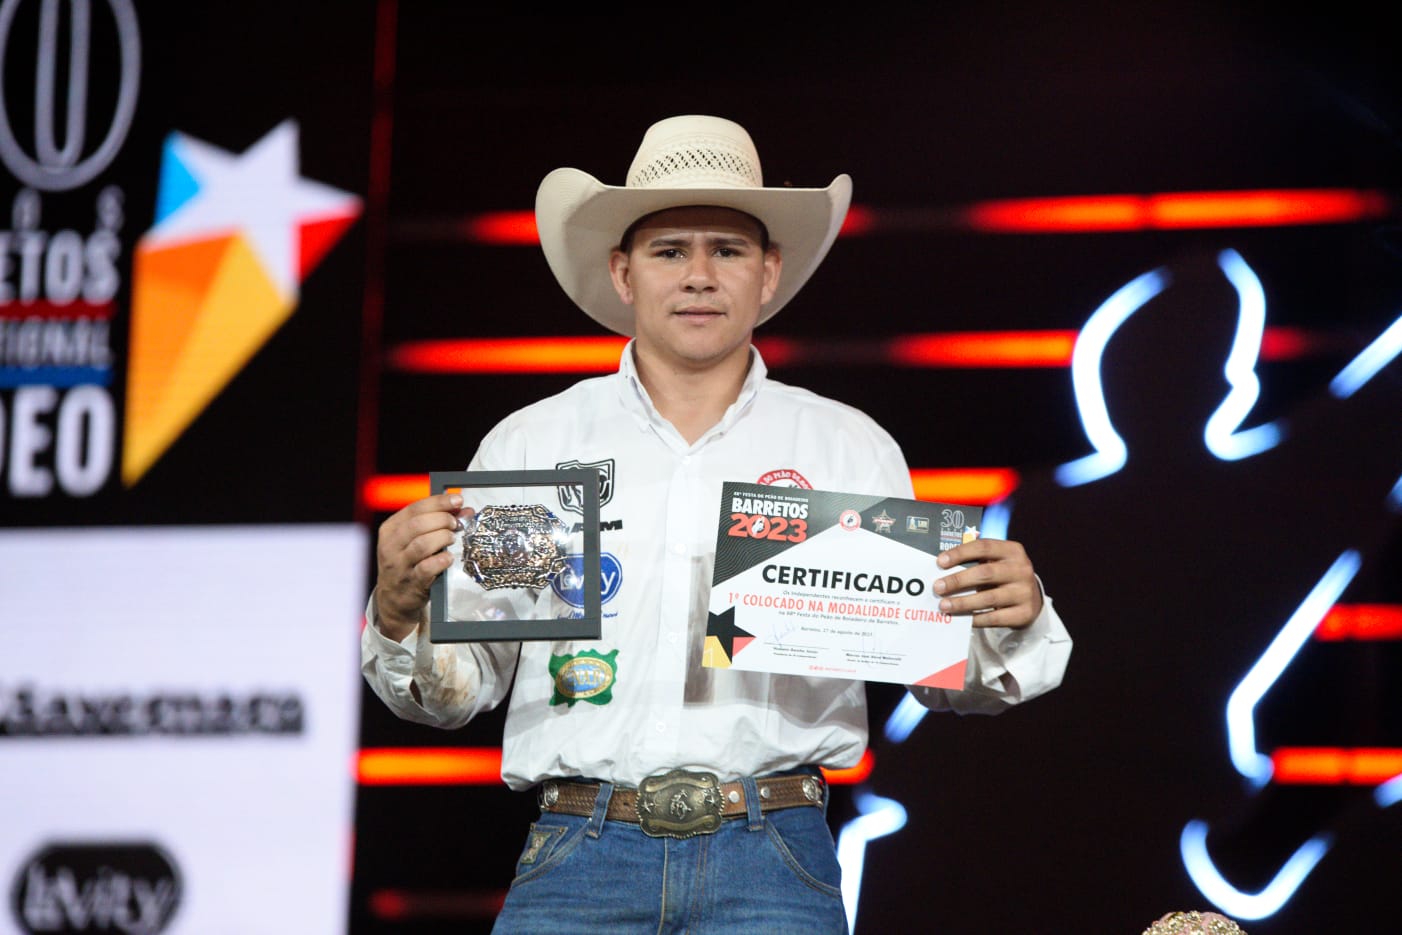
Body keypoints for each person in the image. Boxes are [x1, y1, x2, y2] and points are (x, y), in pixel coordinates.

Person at [362, 114, 1073, 933]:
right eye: (670, 251)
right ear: (623, 273)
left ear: (768, 273)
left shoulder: (845, 446)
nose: (699, 275)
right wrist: (397, 609)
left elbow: (933, 671)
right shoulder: (535, 444)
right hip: (575, 858)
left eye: (726, 250)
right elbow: (461, 689)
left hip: (773, 855)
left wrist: (1005, 617)